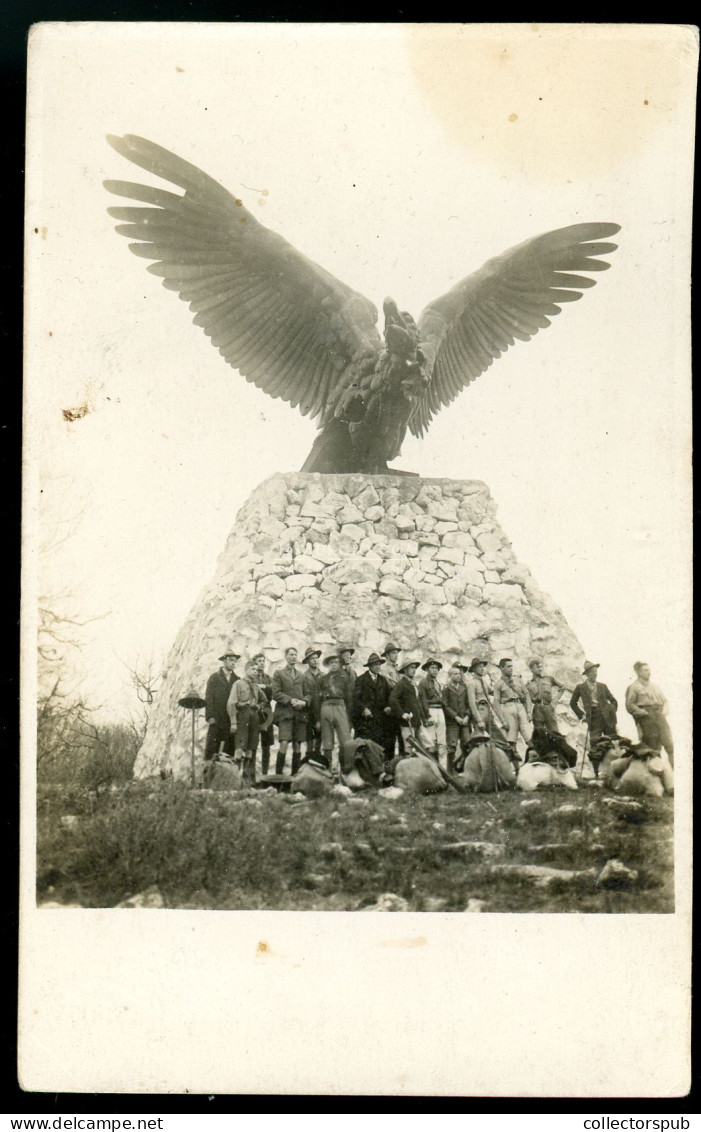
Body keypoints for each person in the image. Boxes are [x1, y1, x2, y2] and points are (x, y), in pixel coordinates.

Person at [228, 659, 270, 785]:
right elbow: (231, 703)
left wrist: (259, 706)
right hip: (243, 716)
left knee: (251, 748)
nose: (256, 672)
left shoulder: (256, 687)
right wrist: (233, 722)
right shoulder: (238, 684)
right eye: (253, 669)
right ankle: (234, 780)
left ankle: (246, 781)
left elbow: (264, 700)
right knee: (240, 748)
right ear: (246, 670)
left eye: (257, 670)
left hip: (254, 717)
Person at [625, 662, 674, 766]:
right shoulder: (634, 687)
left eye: (649, 670)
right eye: (645, 670)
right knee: (653, 748)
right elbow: (630, 705)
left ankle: (672, 773)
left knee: (669, 744)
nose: (649, 672)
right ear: (639, 672)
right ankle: (656, 773)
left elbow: (665, 701)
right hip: (647, 718)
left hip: (659, 716)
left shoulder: (655, 686)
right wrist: (643, 713)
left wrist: (665, 710)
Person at [271, 646, 308, 775]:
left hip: (299, 714)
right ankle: (278, 777)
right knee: (284, 743)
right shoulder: (279, 673)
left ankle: (295, 777)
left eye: (295, 655)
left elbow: (307, 693)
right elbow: (275, 693)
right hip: (285, 714)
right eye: (291, 654)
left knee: (298, 745)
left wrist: (304, 702)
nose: (293, 657)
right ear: (286, 657)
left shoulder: (302, 676)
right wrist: (290, 700)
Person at [353, 652, 394, 760]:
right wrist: (364, 709)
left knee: (381, 746)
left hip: (380, 718)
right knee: (366, 747)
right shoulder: (361, 680)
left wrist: (388, 706)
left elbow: (389, 697)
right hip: (366, 720)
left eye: (379, 664)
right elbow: (355, 699)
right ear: (370, 666)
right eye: (375, 664)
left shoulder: (383, 680)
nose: (378, 667)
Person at [318, 654, 353, 774]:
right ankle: (327, 771)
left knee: (345, 740)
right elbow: (317, 699)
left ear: (340, 664)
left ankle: (344, 770)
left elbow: (349, 698)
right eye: (331, 662)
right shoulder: (323, 679)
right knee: (327, 742)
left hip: (340, 707)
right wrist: (318, 718)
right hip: (326, 707)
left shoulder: (344, 678)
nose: (334, 665)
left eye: (336, 662)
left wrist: (349, 717)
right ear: (328, 665)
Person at [204, 649, 240, 761]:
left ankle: (226, 776)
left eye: (235, 661)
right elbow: (208, 698)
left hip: (230, 719)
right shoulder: (214, 678)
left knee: (228, 750)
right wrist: (210, 716)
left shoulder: (237, 680)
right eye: (231, 660)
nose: (233, 663)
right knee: (212, 749)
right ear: (224, 661)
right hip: (217, 718)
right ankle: (209, 775)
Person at [493, 658, 533, 760]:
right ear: (502, 668)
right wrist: (502, 720)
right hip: (508, 708)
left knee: (529, 736)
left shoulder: (518, 680)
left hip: (520, 707)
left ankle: (532, 761)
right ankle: (516, 769)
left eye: (512, 666)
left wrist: (529, 711)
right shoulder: (498, 684)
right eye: (508, 666)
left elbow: (527, 694)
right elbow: (496, 703)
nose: (511, 669)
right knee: (511, 741)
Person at [570, 661, 618, 745]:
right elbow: (572, 703)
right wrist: (582, 715)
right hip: (593, 719)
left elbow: (614, 701)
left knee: (613, 743)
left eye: (596, 671)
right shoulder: (580, 687)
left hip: (607, 718)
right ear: (587, 674)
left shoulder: (602, 686)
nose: (595, 674)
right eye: (593, 672)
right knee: (595, 744)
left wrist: (611, 711)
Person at [389, 659, 429, 744]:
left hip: (417, 721)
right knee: (409, 746)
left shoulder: (413, 684)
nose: (414, 670)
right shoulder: (401, 684)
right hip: (407, 722)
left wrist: (423, 717)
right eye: (411, 668)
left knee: (426, 745)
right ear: (405, 670)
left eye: (415, 668)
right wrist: (402, 714)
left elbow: (418, 702)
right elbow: (393, 700)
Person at [442, 662, 472, 773]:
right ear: (450, 676)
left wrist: (467, 717)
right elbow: (445, 706)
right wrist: (455, 717)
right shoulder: (446, 689)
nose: (458, 676)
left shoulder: (464, 688)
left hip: (464, 722)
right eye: (455, 674)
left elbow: (469, 704)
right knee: (452, 747)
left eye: (459, 674)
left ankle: (465, 769)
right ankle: (450, 771)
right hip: (452, 722)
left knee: (467, 744)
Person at [467, 658, 508, 738]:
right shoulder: (472, 684)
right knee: (479, 739)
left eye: (483, 667)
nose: (482, 669)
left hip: (488, 712)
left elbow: (494, 691)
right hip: (480, 711)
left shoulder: (484, 682)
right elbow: (472, 704)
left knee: (499, 739)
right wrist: (479, 720)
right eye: (480, 667)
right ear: (474, 669)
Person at [418, 658, 448, 766]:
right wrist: (426, 716)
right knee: (431, 743)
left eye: (436, 668)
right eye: (432, 668)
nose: (435, 670)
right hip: (430, 711)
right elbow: (422, 701)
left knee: (442, 742)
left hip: (440, 711)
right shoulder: (423, 683)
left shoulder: (438, 683)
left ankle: (443, 768)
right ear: (427, 669)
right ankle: (432, 768)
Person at [526, 658, 563, 738]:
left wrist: (555, 701)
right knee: (539, 734)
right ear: (531, 669)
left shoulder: (549, 679)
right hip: (537, 709)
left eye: (541, 667)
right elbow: (527, 699)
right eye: (537, 667)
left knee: (554, 732)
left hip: (548, 707)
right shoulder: (529, 684)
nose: (540, 669)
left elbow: (562, 687)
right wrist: (528, 713)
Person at [252, 652, 274, 776]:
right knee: (253, 743)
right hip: (255, 710)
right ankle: (252, 775)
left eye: (263, 661)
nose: (262, 663)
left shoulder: (268, 678)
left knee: (266, 745)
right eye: (259, 661)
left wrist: (264, 686)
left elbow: (273, 690)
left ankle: (265, 774)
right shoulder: (252, 676)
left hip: (266, 711)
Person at [381, 642, 404, 755]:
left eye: (397, 653)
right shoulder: (384, 669)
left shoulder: (398, 668)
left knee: (402, 736)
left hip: (400, 705)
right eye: (394, 653)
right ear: (387, 655)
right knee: (390, 737)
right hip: (390, 703)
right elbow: (391, 683)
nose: (396, 655)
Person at [301, 647, 323, 760]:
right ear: (308, 662)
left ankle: (318, 769)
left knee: (319, 743)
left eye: (316, 658)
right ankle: (308, 768)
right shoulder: (304, 677)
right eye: (312, 658)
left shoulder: (323, 676)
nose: (315, 660)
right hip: (308, 712)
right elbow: (303, 694)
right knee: (309, 743)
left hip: (321, 712)